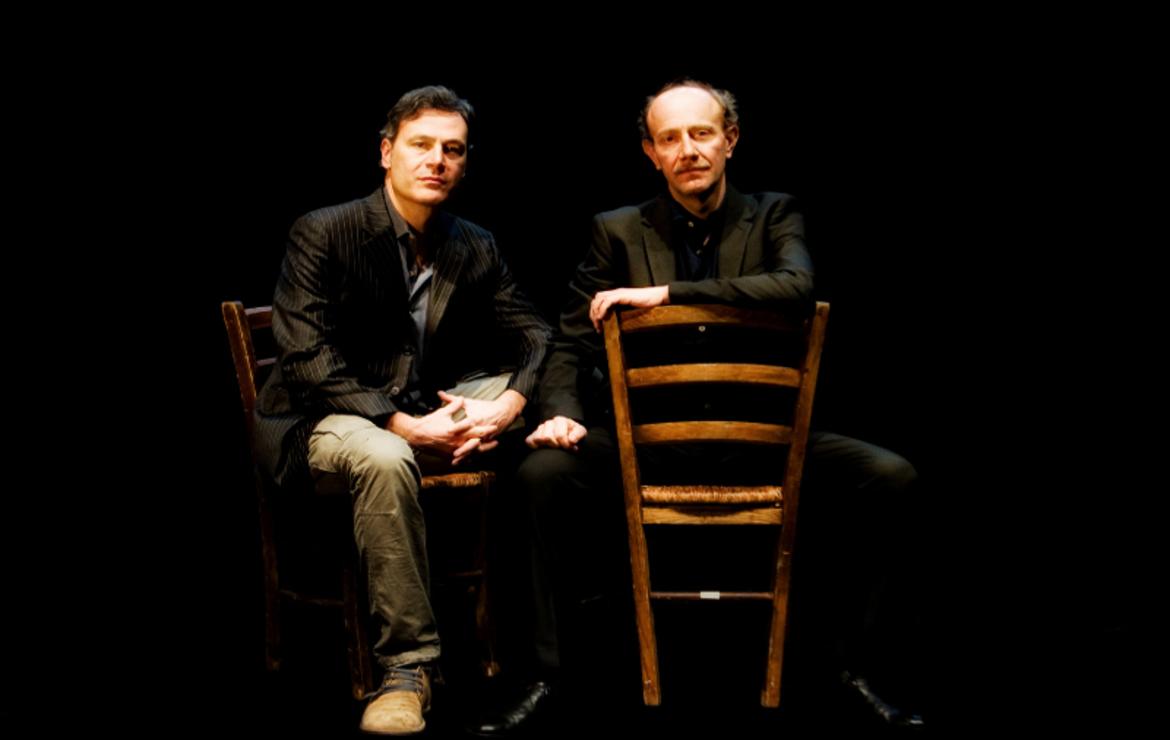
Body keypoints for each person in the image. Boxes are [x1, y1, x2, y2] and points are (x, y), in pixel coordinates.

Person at [471, 79, 925, 735]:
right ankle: (543, 676)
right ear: (651, 152)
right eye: (671, 138)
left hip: (763, 442)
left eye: (702, 133)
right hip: (647, 443)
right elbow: (569, 341)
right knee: (541, 475)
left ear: (730, 140)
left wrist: (665, 295)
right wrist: (561, 411)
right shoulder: (616, 231)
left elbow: (796, 286)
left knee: (892, 477)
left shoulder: (773, 215)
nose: (688, 149)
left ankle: (857, 670)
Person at [253, 85, 551, 735]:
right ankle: (407, 670)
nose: (436, 160)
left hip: (415, 407)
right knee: (388, 457)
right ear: (387, 152)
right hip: (317, 419)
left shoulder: (472, 242)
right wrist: (403, 425)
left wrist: (508, 406)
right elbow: (305, 359)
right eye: (421, 145)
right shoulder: (325, 230)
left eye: (453, 150)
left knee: (540, 402)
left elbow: (535, 335)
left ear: (465, 163)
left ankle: (531, 645)